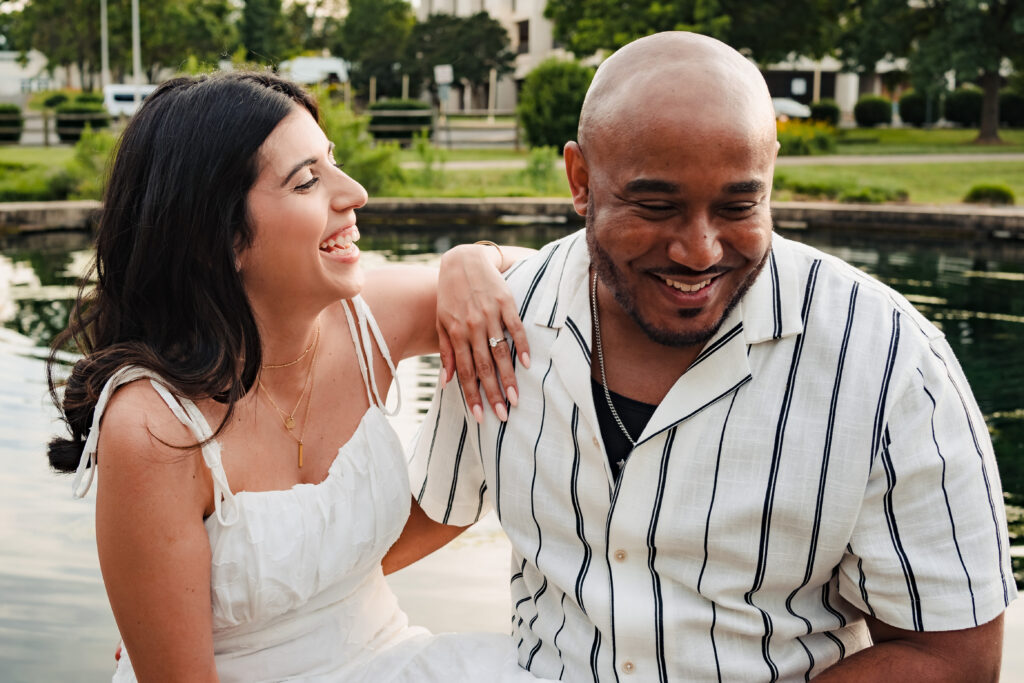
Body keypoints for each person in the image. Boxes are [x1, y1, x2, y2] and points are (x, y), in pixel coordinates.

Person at [406, 32, 1017, 681]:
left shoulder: (892, 361)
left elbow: (952, 655)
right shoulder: (497, 322)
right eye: (657, 205)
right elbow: (427, 508)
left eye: (738, 205)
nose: (699, 252)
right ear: (580, 180)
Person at [46, 71, 552, 682]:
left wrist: (472, 260)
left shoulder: (370, 321)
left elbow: (550, 288)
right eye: (309, 180)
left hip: (393, 659)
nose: (355, 192)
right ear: (222, 237)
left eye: (332, 162)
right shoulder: (153, 428)